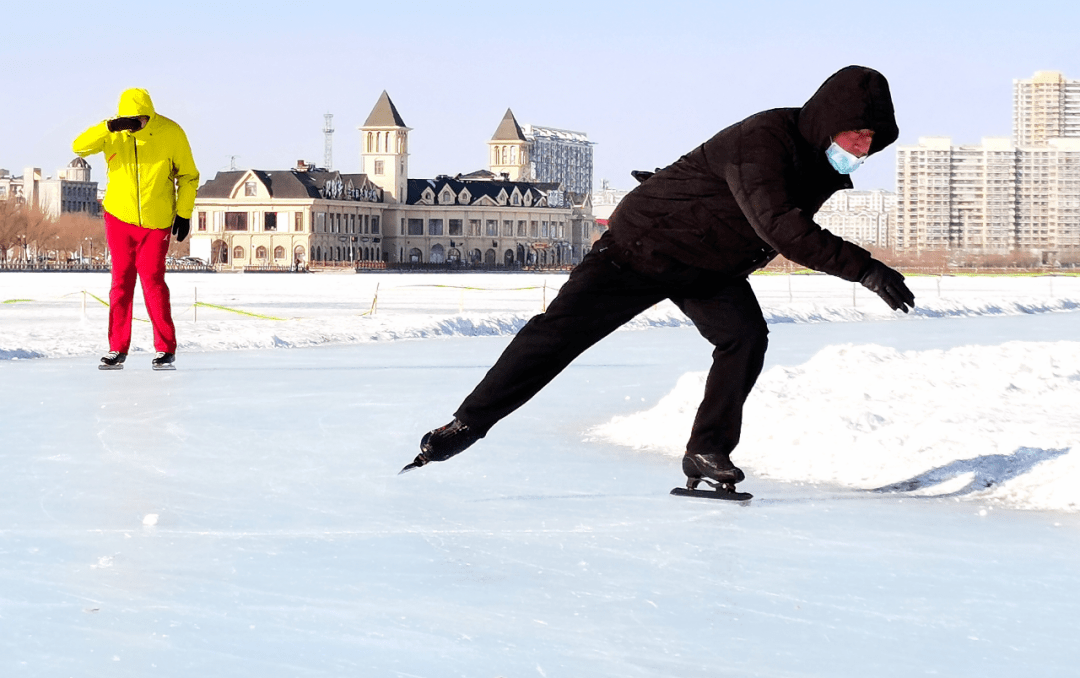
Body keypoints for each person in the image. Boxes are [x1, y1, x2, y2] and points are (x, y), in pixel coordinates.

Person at [402, 65, 915, 491]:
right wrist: (865, 268)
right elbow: (781, 226)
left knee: (744, 338)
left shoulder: (821, 162)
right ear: (830, 119)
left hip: (710, 264)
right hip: (644, 245)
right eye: (858, 133)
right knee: (557, 335)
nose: (864, 148)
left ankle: (707, 451)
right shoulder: (764, 139)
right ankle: (468, 423)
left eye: (873, 138)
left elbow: (750, 215)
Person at [73, 88, 199, 370]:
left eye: (141, 119)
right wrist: (107, 127)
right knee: (121, 282)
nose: (136, 125)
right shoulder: (112, 133)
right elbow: (78, 147)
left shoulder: (171, 132)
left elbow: (189, 175)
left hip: (157, 221)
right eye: (130, 120)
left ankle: (165, 348)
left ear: (150, 114)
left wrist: (184, 212)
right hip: (119, 217)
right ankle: (117, 348)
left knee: (153, 281)